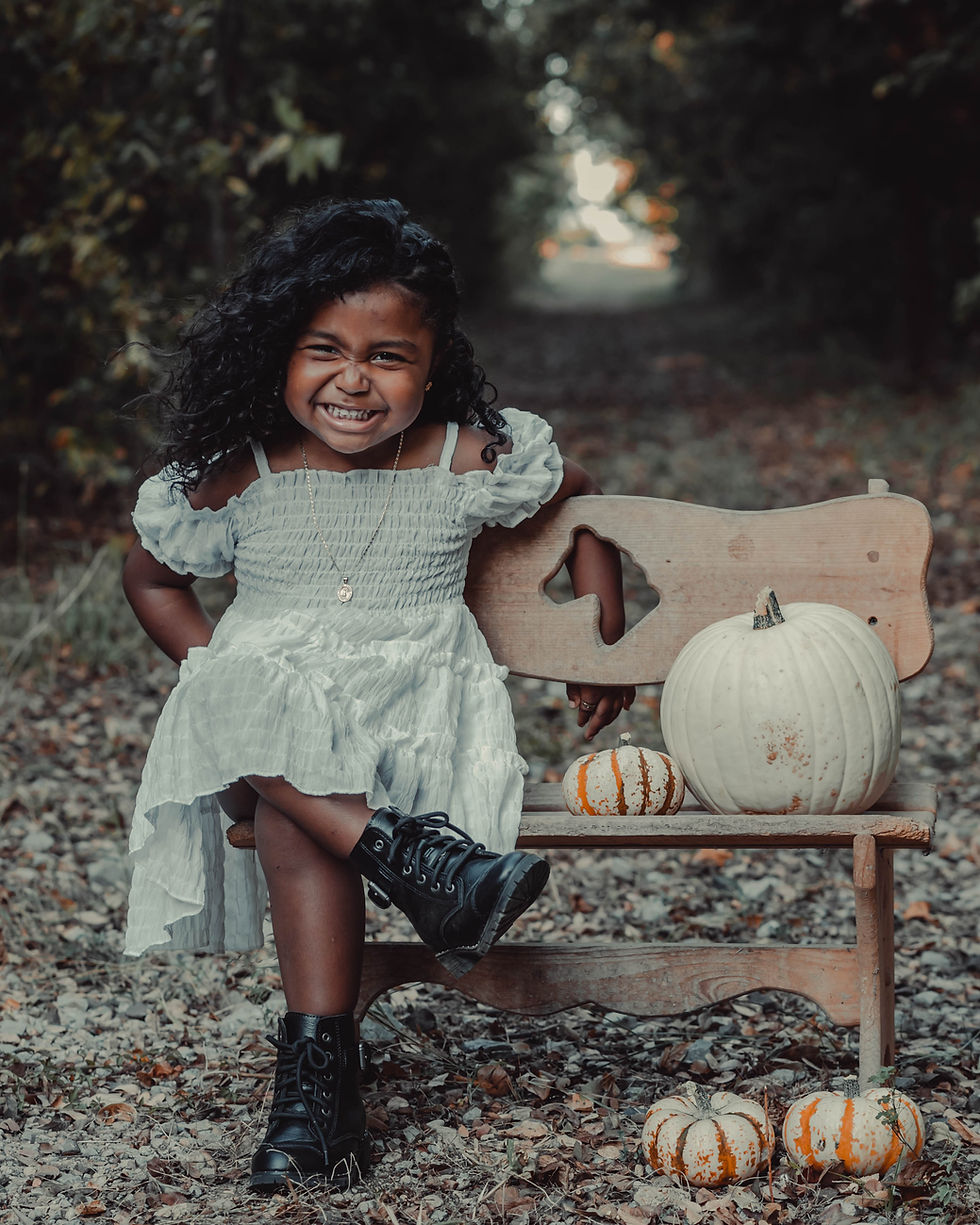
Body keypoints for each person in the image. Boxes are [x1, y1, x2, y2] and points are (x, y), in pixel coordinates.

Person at [122, 197, 634, 1194]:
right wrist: (209, 666)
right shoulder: (246, 469)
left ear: (431, 364)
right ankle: (415, 862)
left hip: (412, 735)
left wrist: (597, 623)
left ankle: (318, 1095)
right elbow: (152, 577)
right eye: (323, 348)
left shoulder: (458, 456)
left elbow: (578, 495)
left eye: (386, 356)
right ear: (279, 350)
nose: (352, 379)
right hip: (260, 729)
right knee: (255, 711)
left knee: (292, 814)